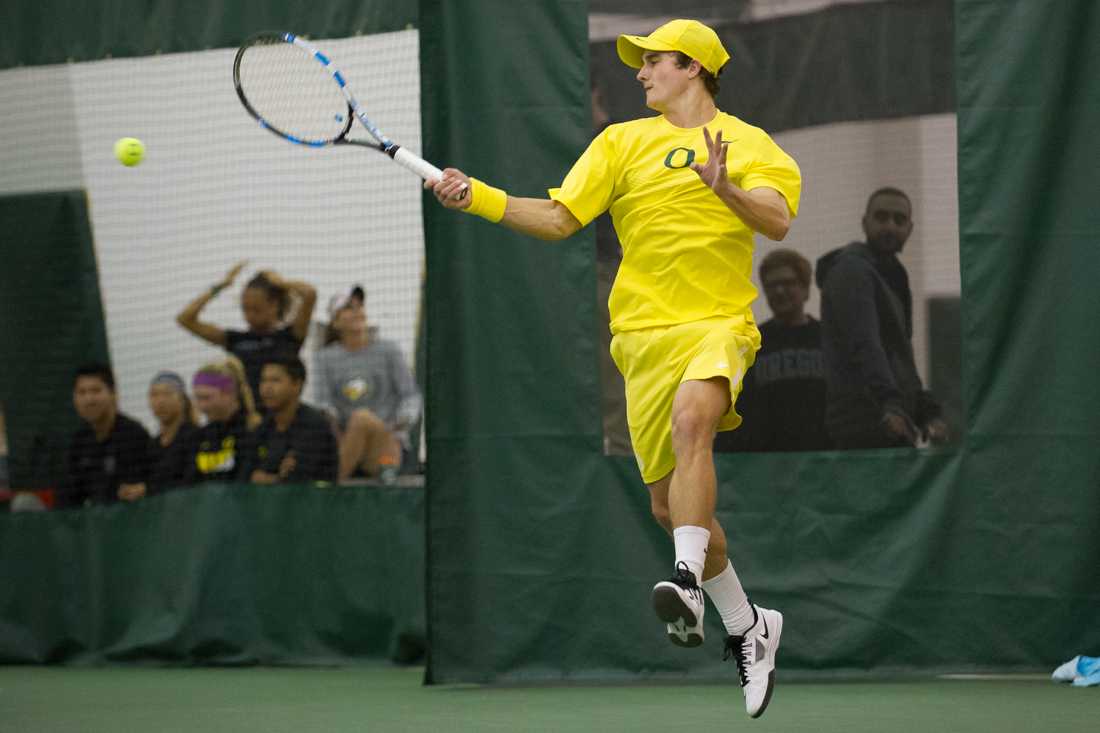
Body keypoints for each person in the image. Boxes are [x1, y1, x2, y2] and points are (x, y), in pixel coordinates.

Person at [425, 19, 800, 718]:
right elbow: (562, 218)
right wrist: (476, 195)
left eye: (653, 60)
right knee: (669, 506)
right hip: (640, 338)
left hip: (717, 322)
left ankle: (686, 582)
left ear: (692, 67)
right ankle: (750, 624)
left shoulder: (749, 145)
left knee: (696, 420)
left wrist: (725, 188)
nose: (639, 72)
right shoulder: (620, 142)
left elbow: (776, 221)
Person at [816, 188, 949, 449]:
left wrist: (925, 412)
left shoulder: (893, 278)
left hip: (890, 421)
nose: (890, 226)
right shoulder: (852, 270)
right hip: (865, 425)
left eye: (899, 220)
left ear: (910, 228)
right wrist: (892, 403)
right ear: (865, 222)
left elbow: (900, 362)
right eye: (882, 217)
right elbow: (865, 345)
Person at [715, 249, 830, 452]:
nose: (779, 291)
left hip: (822, 461)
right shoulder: (750, 344)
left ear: (805, 289)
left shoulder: (828, 340)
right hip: (767, 466)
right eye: (771, 286)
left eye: (788, 283)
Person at [314, 286, 422, 484]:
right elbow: (323, 402)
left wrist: (402, 421)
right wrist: (335, 429)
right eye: (348, 308)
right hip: (346, 442)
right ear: (336, 322)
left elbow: (410, 395)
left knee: (362, 418)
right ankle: (335, 480)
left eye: (359, 306)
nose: (356, 312)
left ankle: (329, 488)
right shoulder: (325, 358)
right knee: (358, 421)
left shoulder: (389, 350)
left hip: (387, 446)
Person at [176, 262, 317, 401]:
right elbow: (185, 319)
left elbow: (309, 294)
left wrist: (281, 283)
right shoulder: (235, 339)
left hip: (281, 416)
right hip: (245, 417)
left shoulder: (290, 336)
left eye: (256, 309)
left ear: (274, 305)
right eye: (245, 309)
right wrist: (221, 286)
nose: (249, 316)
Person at [591, 77, 632, 456]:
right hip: (576, 275)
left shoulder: (617, 139)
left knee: (614, 367)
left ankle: (621, 452)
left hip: (609, 272)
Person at [60, 363, 151, 508]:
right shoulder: (78, 443)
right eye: (81, 392)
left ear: (113, 394)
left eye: (96, 391)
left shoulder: (134, 435)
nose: (89, 400)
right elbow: (68, 499)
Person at [246, 356, 338, 484]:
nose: (267, 388)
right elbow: (246, 475)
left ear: (297, 385)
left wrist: (269, 478)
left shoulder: (315, 426)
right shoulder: (262, 428)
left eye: (275, 380)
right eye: (264, 380)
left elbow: (298, 479)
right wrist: (277, 476)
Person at [185, 357, 261, 483]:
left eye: (207, 398)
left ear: (229, 393)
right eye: (197, 398)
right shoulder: (199, 437)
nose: (202, 406)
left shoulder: (253, 430)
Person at [147, 371, 199, 492]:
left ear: (182, 399)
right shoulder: (152, 445)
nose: (160, 401)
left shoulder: (194, 437)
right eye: (154, 395)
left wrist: (148, 489)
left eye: (167, 394)